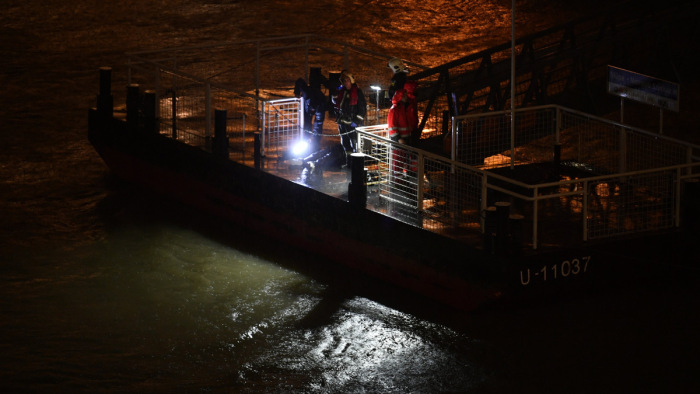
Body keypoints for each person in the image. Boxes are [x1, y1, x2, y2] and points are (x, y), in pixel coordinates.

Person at [332, 71, 366, 166]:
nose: (346, 83)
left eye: (348, 80)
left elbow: (362, 110)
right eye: (344, 81)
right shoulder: (341, 92)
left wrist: (356, 122)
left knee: (355, 145)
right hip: (342, 124)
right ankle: (349, 163)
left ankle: (356, 166)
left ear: (351, 81)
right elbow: (336, 104)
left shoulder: (358, 93)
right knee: (345, 145)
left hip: (352, 125)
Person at [387, 80, 418, 178]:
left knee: (409, 162)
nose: (406, 97)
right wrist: (398, 139)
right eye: (404, 95)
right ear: (400, 97)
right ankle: (399, 184)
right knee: (398, 164)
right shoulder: (394, 110)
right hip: (399, 143)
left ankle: (409, 181)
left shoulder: (407, 108)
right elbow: (392, 127)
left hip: (408, 140)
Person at [294, 74, 326, 153]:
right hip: (308, 105)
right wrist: (297, 93)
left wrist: (315, 142)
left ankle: (315, 144)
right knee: (307, 123)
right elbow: (299, 81)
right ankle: (306, 139)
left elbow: (318, 125)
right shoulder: (306, 92)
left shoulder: (321, 106)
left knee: (317, 126)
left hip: (319, 105)